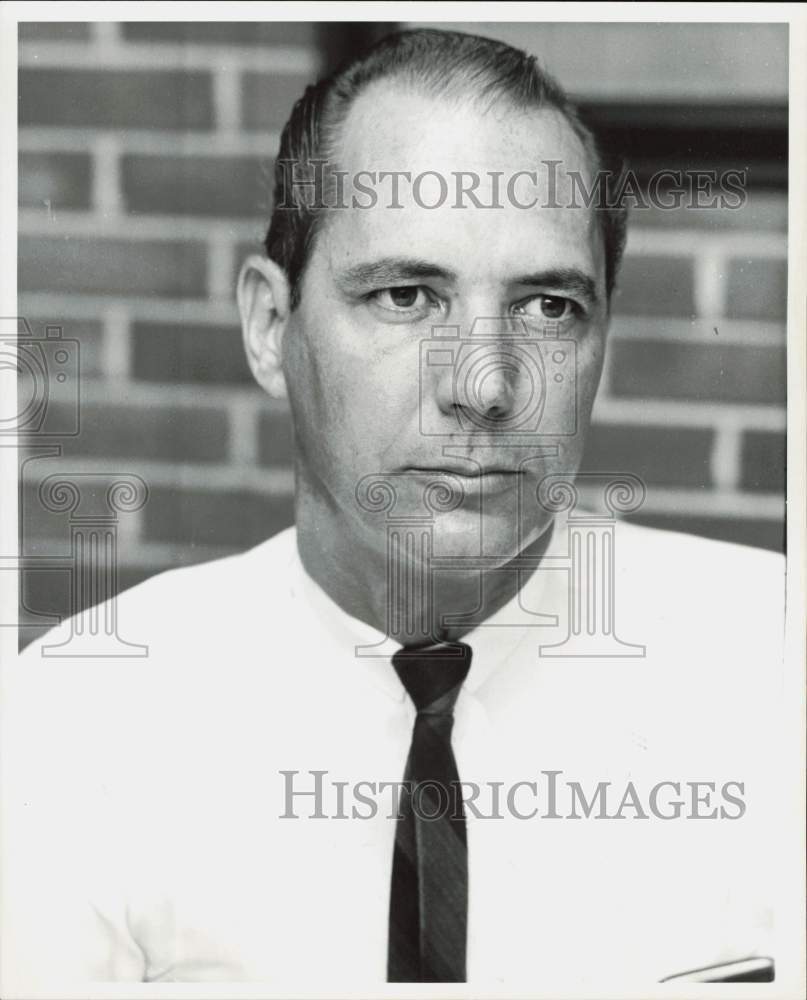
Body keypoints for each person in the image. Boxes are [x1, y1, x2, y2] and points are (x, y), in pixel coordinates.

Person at [3, 28, 784, 991]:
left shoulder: (772, 673)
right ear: (269, 325)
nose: (486, 385)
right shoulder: (79, 728)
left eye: (548, 307)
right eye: (406, 295)